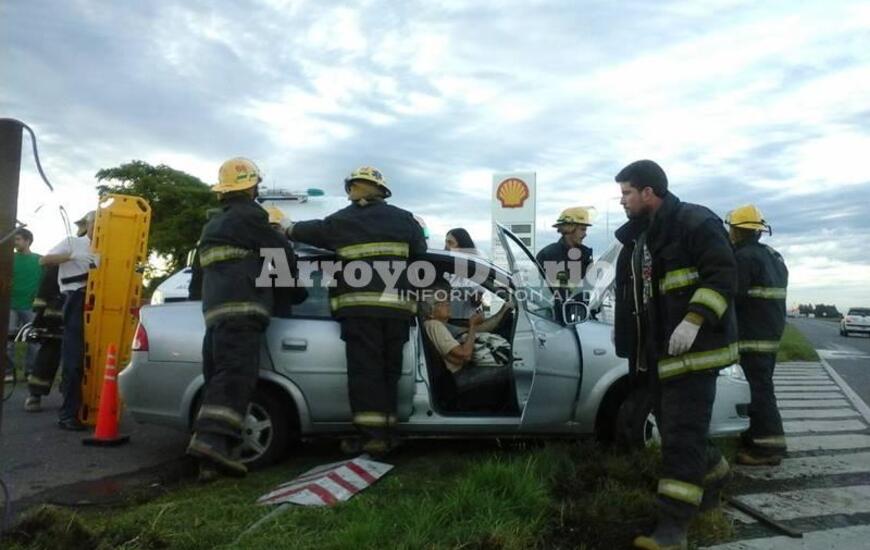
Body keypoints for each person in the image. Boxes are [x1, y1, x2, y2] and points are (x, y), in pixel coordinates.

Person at [613, 160, 738, 550]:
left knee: (680, 440)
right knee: (678, 430)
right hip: (662, 356)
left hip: (695, 353)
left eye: (627, 194)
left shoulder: (695, 223)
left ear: (649, 192)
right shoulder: (644, 237)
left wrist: (694, 318)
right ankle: (715, 478)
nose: (622, 202)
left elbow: (722, 274)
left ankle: (672, 530)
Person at [286, 166, 426, 456]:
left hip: (360, 312)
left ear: (353, 189)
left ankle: (371, 437)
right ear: (382, 191)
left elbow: (311, 230)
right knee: (389, 373)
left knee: (366, 375)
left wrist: (286, 228)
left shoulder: (341, 222)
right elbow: (421, 255)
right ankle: (388, 433)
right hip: (396, 312)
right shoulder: (404, 220)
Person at [186, 157, 297, 479]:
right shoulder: (252, 216)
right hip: (243, 311)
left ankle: (212, 459)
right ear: (251, 187)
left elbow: (197, 279)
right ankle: (209, 441)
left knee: (217, 379)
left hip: (214, 315)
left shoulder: (212, 227)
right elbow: (281, 258)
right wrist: (293, 297)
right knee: (235, 379)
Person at [726, 204, 789, 466]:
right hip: (769, 334)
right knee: (761, 388)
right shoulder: (774, 257)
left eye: (731, 229)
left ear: (738, 232)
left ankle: (767, 449)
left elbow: (732, 296)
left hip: (752, 336)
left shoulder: (744, 258)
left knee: (758, 391)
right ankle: (756, 439)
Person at [40, 211, 97, 431]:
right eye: (96, 222)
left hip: (99, 301)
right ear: (89, 225)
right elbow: (44, 260)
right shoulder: (74, 243)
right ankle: (68, 413)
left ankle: (91, 409)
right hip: (75, 298)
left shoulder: (110, 246)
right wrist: (71, 257)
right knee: (74, 359)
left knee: (96, 359)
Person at [23, 264, 64, 412]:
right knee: (48, 356)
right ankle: (35, 394)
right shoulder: (66, 252)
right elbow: (47, 282)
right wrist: (40, 313)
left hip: (77, 314)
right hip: (56, 316)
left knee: (75, 360)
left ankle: (69, 395)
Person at [536, 207, 593, 301]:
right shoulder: (549, 255)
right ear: (569, 229)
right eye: (582, 229)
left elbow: (591, 287)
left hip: (583, 312)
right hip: (555, 313)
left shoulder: (586, 255)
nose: (585, 234)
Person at [7, 228, 42, 378]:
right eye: (14, 239)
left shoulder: (39, 260)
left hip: (30, 306)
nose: (15, 242)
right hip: (10, 305)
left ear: (27, 241)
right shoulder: (9, 258)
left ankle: (31, 371)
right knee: (8, 339)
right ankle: (8, 371)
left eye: (18, 239)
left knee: (33, 339)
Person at [444, 228, 483, 319]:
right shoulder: (445, 265)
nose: (446, 246)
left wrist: (464, 292)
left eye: (450, 243)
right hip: (446, 320)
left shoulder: (472, 266)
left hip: (465, 321)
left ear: (462, 245)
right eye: (446, 242)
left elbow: (477, 300)